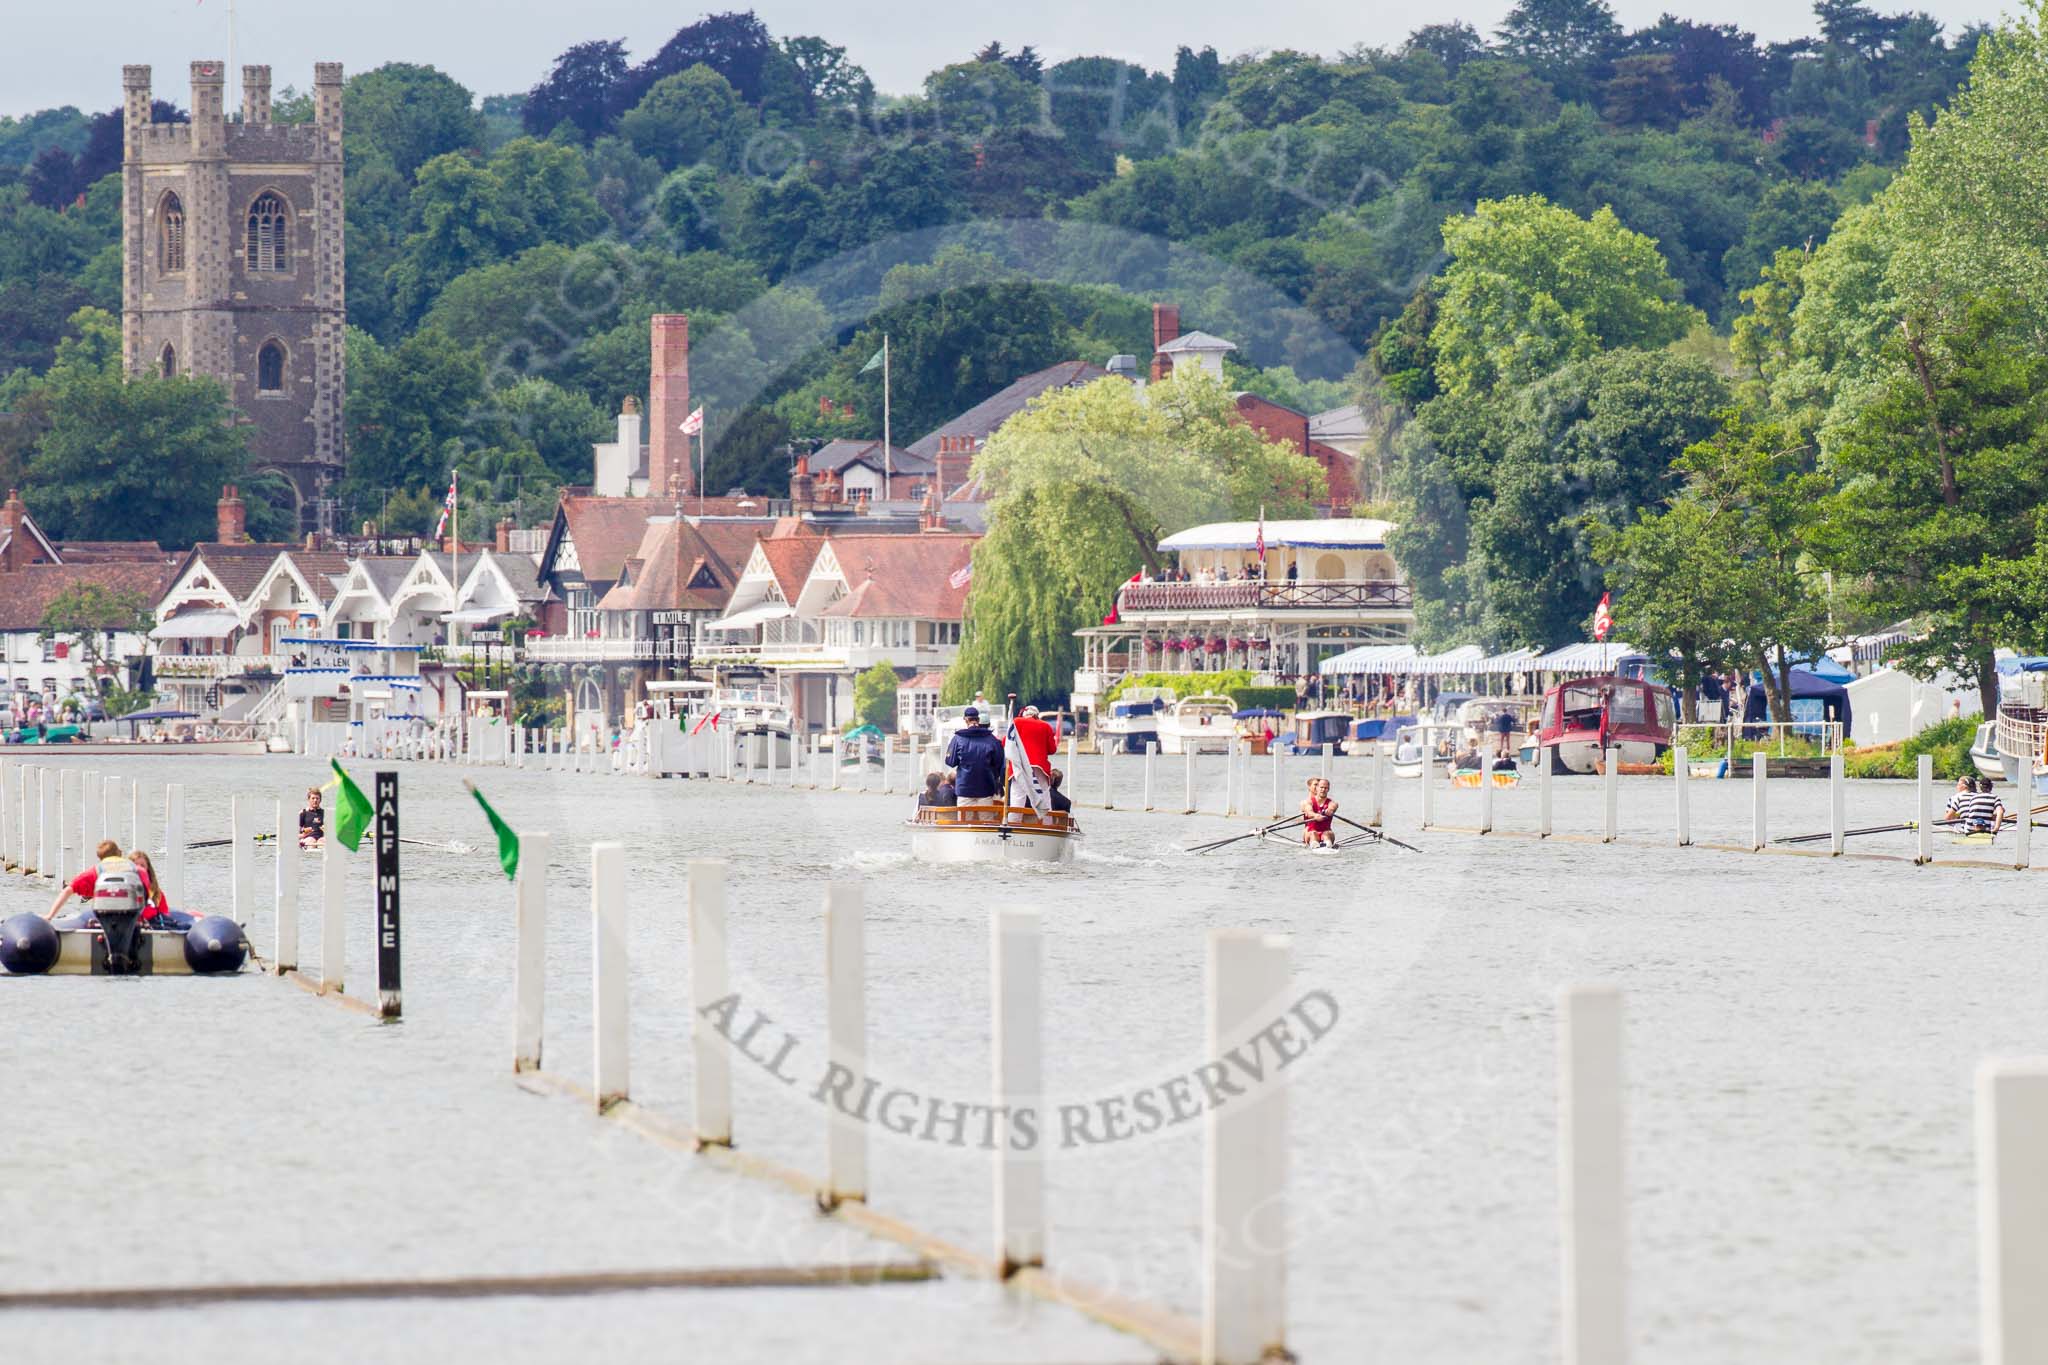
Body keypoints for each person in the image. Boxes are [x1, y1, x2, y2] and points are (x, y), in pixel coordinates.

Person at [943, 706, 1004, 806]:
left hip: (964, 789)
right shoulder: (991, 739)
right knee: (986, 821)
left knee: (964, 821)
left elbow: (950, 761)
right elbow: (999, 762)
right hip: (986, 788)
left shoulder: (958, 738)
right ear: (978, 719)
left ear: (966, 720)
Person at [1009, 704, 1058, 806]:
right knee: (1043, 797)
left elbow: (1006, 744)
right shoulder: (1045, 726)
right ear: (1036, 715)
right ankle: (1046, 821)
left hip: (1019, 765)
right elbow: (1052, 749)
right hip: (1039, 767)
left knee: (1018, 797)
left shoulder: (1016, 722)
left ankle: (1014, 821)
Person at [1300, 777, 1337, 848]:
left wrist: (1329, 810)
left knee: (1327, 834)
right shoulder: (1308, 802)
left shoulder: (1332, 803)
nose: (1323, 790)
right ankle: (1315, 844)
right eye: (1321, 787)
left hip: (1326, 833)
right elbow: (1309, 811)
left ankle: (1327, 844)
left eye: (1326, 788)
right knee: (1313, 834)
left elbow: (1333, 807)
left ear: (1328, 789)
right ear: (1317, 788)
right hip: (1311, 832)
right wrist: (1315, 815)